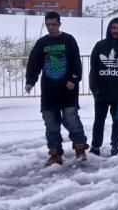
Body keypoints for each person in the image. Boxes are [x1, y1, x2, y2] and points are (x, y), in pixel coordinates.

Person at [25, 11, 88, 166]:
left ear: (59, 24)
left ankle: (80, 148)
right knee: (51, 123)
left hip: (68, 91)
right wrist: (30, 81)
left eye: (54, 24)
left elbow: (76, 63)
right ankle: (55, 154)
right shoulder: (42, 43)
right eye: (48, 24)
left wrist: (74, 78)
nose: (51, 27)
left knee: (71, 119)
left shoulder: (69, 40)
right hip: (49, 91)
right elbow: (34, 64)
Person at [89, 18, 118, 157]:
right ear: (109, 29)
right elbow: (93, 69)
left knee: (117, 120)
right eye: (114, 28)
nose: (116, 31)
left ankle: (115, 146)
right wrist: (94, 88)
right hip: (101, 93)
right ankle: (95, 146)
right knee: (99, 121)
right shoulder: (99, 46)